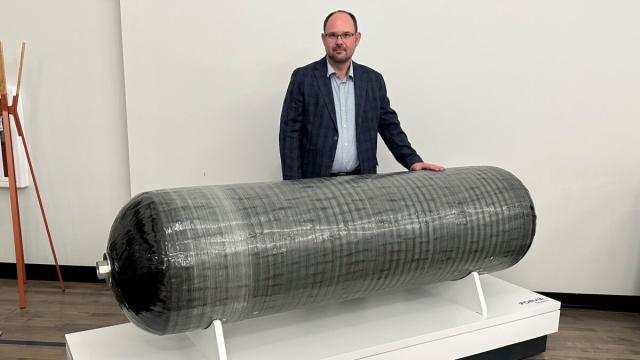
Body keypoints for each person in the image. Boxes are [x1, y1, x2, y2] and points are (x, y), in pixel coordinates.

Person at [279, 10, 445, 180]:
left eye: (346, 35)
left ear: (357, 38)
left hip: (363, 183)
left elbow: (390, 127)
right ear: (323, 38)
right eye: (332, 35)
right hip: (315, 183)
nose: (339, 41)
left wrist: (413, 161)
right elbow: (289, 135)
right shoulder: (303, 78)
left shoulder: (373, 80)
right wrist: (294, 186)